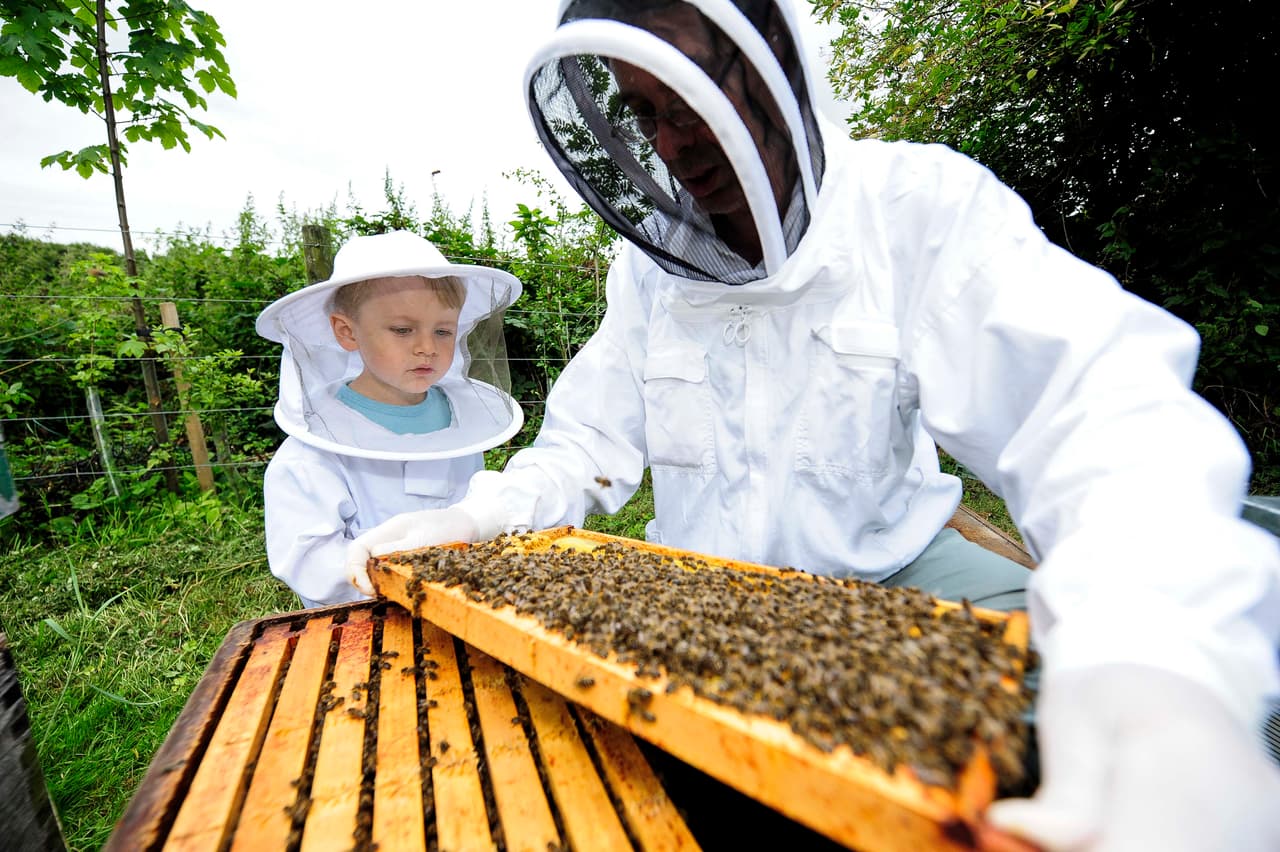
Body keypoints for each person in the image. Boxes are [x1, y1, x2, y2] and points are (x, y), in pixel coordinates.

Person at [349, 2, 1280, 848]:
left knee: (1072, 717)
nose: (674, 142)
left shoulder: (917, 209)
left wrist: (1159, 668)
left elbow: (1098, 411)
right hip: (695, 593)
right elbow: (588, 446)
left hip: (901, 569)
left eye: (698, 97)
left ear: (778, 78)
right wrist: (481, 514)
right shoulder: (645, 274)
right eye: (645, 114)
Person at [258, 230, 522, 607]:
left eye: (443, 330)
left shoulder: (463, 421)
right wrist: (390, 575)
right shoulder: (314, 450)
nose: (427, 347)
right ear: (347, 332)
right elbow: (308, 561)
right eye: (402, 329)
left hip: (467, 609)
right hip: (365, 622)